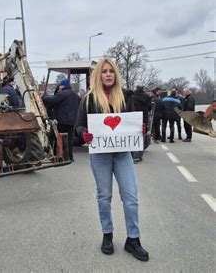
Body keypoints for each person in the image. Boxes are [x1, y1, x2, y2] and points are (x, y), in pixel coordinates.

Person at [75, 58, 149, 261]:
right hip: (100, 156)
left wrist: (141, 130)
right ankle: (107, 234)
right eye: (104, 71)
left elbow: (134, 123)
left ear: (116, 75)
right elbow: (79, 126)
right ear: (98, 75)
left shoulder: (125, 97)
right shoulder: (89, 99)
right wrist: (84, 134)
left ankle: (133, 239)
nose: (108, 74)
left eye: (111, 71)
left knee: (131, 197)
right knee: (104, 196)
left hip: (123, 154)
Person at [42, 79, 81, 161]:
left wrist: (42, 98)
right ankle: (70, 157)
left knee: (58, 138)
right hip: (72, 121)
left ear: (63, 86)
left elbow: (51, 100)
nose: (59, 87)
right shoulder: (76, 96)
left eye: (60, 85)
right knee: (70, 139)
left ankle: (59, 156)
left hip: (62, 120)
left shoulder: (62, 94)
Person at [130, 85, 151, 162]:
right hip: (144, 117)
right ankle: (140, 154)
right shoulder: (147, 97)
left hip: (133, 116)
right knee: (142, 135)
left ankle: (133, 153)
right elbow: (149, 108)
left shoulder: (132, 96)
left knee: (132, 135)